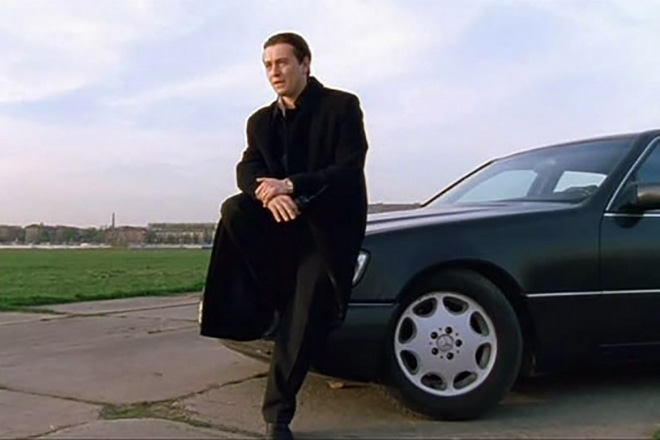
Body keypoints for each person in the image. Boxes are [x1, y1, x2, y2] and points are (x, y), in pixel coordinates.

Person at [199, 32, 369, 440]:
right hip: (282, 225)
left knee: (304, 310)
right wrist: (269, 193)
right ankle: (267, 301)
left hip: (327, 229)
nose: (274, 72)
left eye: (282, 62)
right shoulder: (260, 121)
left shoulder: (342, 106)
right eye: (267, 65)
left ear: (305, 64)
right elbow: (248, 168)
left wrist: (290, 185)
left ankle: (277, 416)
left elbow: (348, 169)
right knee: (234, 208)